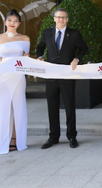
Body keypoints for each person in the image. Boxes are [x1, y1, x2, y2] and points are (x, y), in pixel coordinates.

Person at [37, 8, 88, 149]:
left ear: (67, 19)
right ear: (54, 19)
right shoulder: (47, 33)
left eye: (64, 17)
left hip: (67, 75)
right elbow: (40, 47)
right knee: (52, 107)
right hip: (51, 76)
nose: (61, 20)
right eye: (58, 17)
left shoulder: (74, 34)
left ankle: (72, 136)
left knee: (69, 106)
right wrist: (40, 56)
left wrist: (77, 59)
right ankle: (53, 137)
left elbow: (84, 48)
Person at [0, 10, 30, 155]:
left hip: (18, 75)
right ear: (5, 22)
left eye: (16, 21)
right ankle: (0, 141)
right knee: (1, 106)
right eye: (10, 20)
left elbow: (25, 57)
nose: (12, 23)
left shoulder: (25, 38)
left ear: (19, 23)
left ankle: (15, 139)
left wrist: (27, 56)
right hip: (2, 76)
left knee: (17, 106)